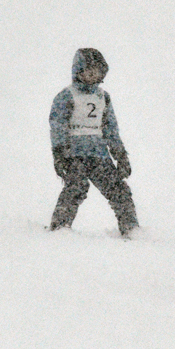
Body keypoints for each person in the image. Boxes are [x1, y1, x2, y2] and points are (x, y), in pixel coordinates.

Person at [48, 48, 138, 237]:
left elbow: (110, 128)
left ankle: (131, 228)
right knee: (76, 187)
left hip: (99, 155)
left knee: (118, 189)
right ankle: (60, 227)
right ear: (78, 71)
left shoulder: (102, 97)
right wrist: (59, 154)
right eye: (88, 69)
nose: (93, 74)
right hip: (74, 154)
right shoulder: (67, 96)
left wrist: (120, 155)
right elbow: (58, 125)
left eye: (97, 70)